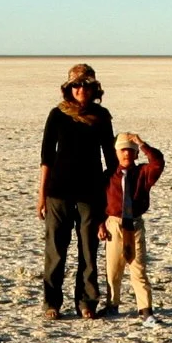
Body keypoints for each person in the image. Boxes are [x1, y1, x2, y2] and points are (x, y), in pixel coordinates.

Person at [37, 63, 116, 319]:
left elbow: (111, 159)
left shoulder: (101, 117)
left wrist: (111, 198)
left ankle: (87, 302)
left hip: (91, 193)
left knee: (88, 250)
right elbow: (46, 157)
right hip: (58, 192)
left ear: (94, 88)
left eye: (86, 85)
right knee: (56, 250)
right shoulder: (57, 114)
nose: (81, 89)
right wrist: (41, 195)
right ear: (69, 89)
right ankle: (52, 302)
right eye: (76, 85)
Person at [101, 132, 164, 319]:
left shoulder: (144, 173)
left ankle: (145, 310)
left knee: (138, 268)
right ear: (116, 153)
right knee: (113, 269)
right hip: (114, 223)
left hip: (134, 224)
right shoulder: (109, 176)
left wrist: (141, 143)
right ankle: (112, 304)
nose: (126, 154)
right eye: (122, 151)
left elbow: (158, 162)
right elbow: (99, 202)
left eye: (130, 151)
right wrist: (100, 225)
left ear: (136, 154)